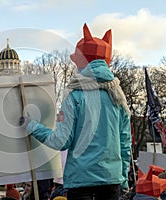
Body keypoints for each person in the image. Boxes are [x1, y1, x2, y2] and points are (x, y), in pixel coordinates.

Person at [20, 23, 131, 200]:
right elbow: (125, 143)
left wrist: (32, 126)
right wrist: (123, 179)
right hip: (112, 179)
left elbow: (60, 141)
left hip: (81, 180)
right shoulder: (118, 97)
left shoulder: (74, 97)